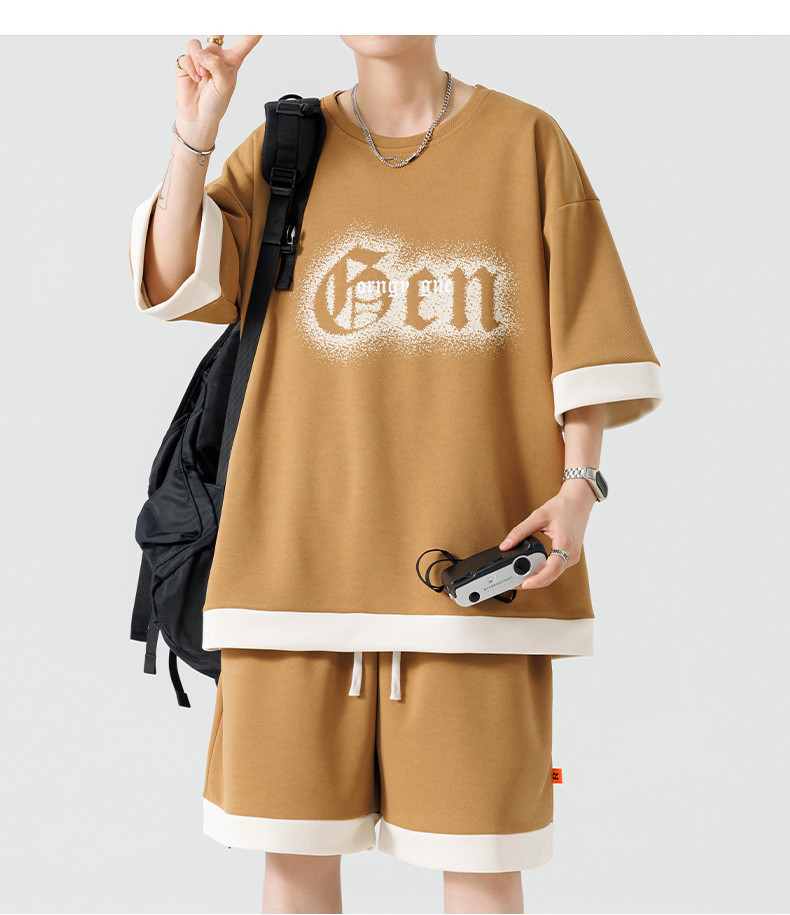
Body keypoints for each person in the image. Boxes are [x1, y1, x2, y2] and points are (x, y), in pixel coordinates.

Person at [128, 34, 663, 915]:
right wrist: (197, 131)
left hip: (475, 580)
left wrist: (581, 487)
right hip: (290, 579)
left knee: (483, 864)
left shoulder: (526, 143)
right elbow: (173, 275)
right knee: (294, 867)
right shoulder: (286, 147)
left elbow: (587, 335)